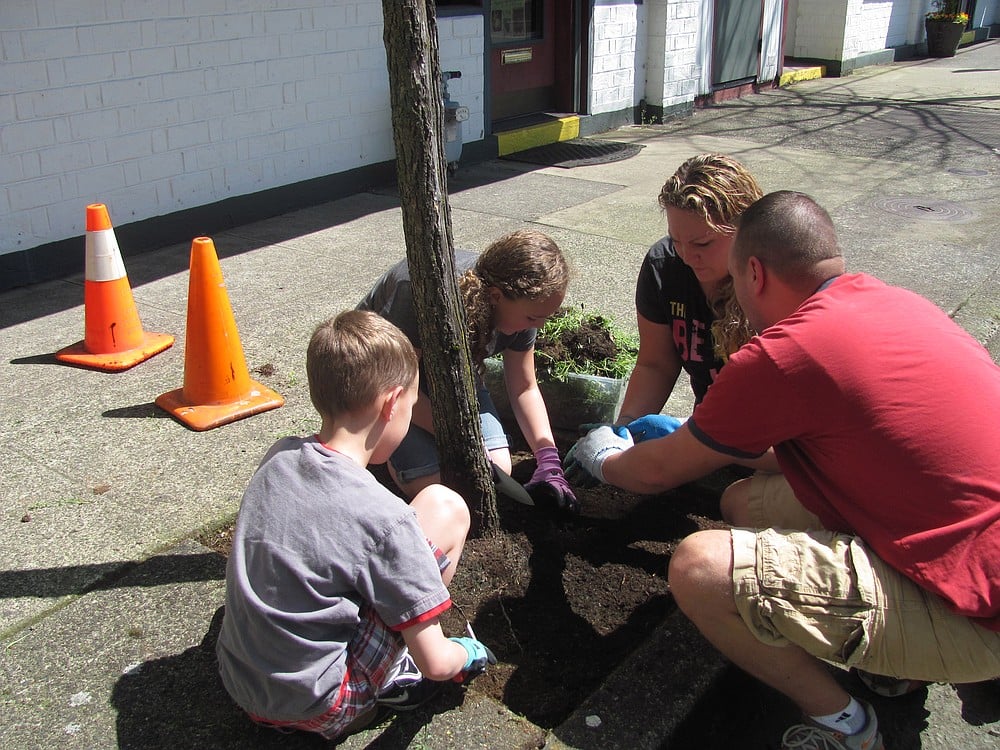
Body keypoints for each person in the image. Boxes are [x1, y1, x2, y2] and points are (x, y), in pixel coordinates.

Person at [565, 191, 1000, 749]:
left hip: (976, 607)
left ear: (753, 271)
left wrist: (603, 456)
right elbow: (805, 452)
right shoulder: (895, 303)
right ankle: (901, 667)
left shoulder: (785, 351)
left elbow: (652, 476)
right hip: (959, 536)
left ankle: (848, 725)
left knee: (700, 567)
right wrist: (700, 438)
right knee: (742, 504)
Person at [216, 310, 495, 742]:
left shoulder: (279, 457)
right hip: (321, 706)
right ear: (391, 403)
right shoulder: (385, 517)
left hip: (240, 681)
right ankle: (390, 680)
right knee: (446, 507)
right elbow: (438, 665)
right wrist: (466, 653)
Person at [357, 228, 577, 512]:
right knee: (439, 485)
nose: (539, 326)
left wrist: (548, 458)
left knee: (497, 469)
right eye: (534, 317)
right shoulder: (419, 291)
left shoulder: (525, 312)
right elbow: (397, 382)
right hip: (385, 377)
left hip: (452, 375)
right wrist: (462, 437)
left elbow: (523, 386)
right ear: (496, 296)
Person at [613, 154, 763, 443]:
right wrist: (625, 429)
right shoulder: (664, 266)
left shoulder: (770, 282)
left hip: (765, 438)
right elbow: (656, 364)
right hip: (708, 431)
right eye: (676, 239)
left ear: (745, 232)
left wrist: (695, 433)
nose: (687, 256)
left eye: (703, 243)